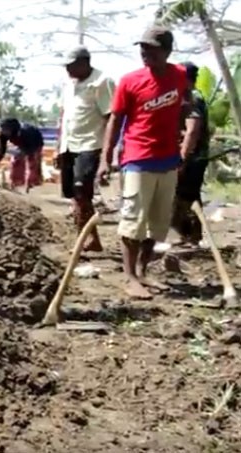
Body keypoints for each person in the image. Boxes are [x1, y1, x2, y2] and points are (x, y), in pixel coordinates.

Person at [98, 26, 191, 300]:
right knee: (133, 221)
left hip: (168, 160)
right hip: (138, 158)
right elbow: (115, 120)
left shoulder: (179, 75)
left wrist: (182, 139)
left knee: (158, 222)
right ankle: (129, 277)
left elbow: (185, 105)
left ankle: (142, 271)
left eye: (151, 48)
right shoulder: (129, 81)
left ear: (167, 51)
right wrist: (106, 159)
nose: (145, 52)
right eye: (142, 48)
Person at [58, 46, 115, 252]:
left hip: (90, 144)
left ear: (84, 63)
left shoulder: (102, 82)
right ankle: (90, 238)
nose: (67, 70)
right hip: (69, 145)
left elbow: (111, 118)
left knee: (82, 191)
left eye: (71, 66)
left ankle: (84, 240)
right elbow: (63, 116)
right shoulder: (68, 84)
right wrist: (59, 147)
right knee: (73, 194)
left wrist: (107, 156)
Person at [171, 61, 210, 246]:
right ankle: (189, 235)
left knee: (186, 196)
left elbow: (193, 131)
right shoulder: (187, 96)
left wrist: (183, 157)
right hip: (192, 154)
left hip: (193, 156)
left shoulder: (192, 98)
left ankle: (192, 236)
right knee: (184, 195)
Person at [0, 118, 44, 193]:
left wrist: (24, 153)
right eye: (2, 129)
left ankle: (32, 182)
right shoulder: (2, 135)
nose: (4, 131)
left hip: (35, 142)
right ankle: (16, 182)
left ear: (12, 129)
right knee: (16, 161)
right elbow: (2, 148)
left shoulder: (25, 132)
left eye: (6, 129)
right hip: (22, 143)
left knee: (33, 163)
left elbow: (31, 148)